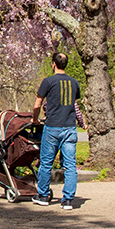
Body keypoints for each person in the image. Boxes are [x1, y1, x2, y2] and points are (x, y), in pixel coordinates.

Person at [32, 52, 82, 210]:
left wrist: (34, 119)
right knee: (70, 165)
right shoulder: (74, 83)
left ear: (53, 63)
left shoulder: (48, 82)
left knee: (46, 163)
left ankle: (43, 195)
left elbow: (37, 104)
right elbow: (74, 103)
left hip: (53, 127)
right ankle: (68, 199)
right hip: (69, 127)